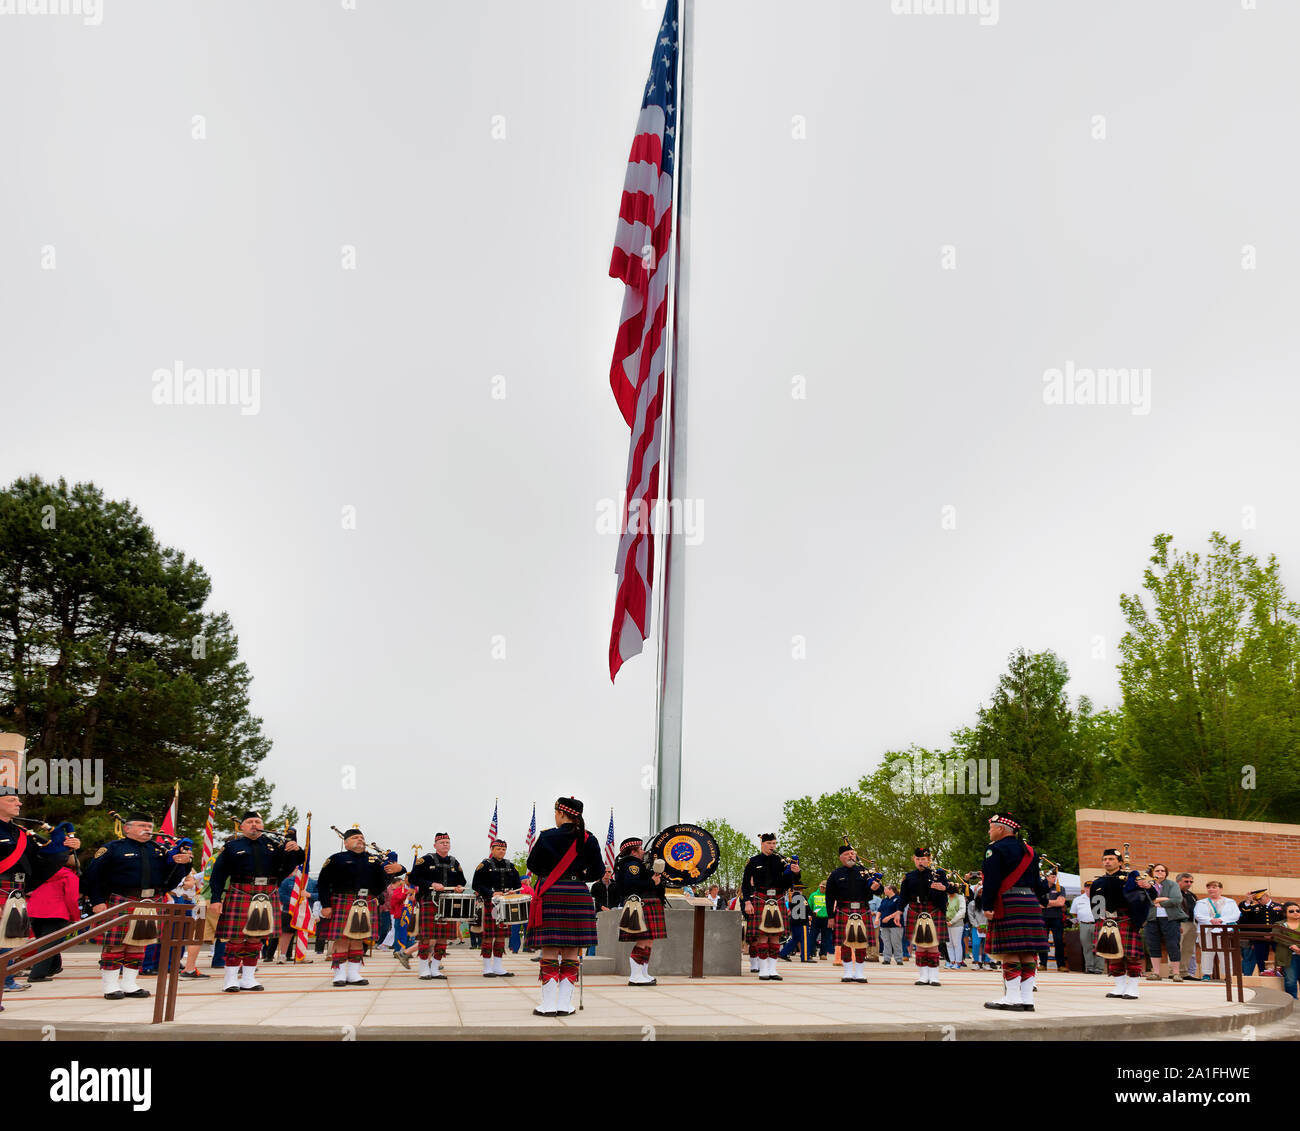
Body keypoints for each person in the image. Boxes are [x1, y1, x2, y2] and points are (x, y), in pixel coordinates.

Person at [83, 812, 192, 1000]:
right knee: (115, 945)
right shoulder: (112, 848)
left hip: (150, 901)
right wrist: (97, 901)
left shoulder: (159, 849)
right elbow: (91, 876)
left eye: (149, 827)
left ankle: (129, 984)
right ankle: (110, 986)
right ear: (127, 828)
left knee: (139, 944)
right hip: (121, 900)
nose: (147, 830)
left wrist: (184, 864)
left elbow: (172, 877)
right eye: (142, 826)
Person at [525, 797, 607, 1016]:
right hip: (578, 893)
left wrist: (550, 873)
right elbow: (599, 871)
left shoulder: (547, 836)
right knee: (572, 949)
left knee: (550, 948)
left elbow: (532, 864)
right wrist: (581, 875)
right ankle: (564, 1005)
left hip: (550, 892)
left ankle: (548, 1005)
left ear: (561, 813)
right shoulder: (589, 839)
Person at [208, 812, 304, 992]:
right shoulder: (231, 846)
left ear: (262, 825)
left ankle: (248, 978)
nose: (254, 824)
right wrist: (215, 899)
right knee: (235, 939)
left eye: (257, 821)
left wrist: (295, 849)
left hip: (267, 892)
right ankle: (230, 979)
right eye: (250, 822)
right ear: (242, 826)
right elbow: (218, 874)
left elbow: (292, 864)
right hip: (239, 891)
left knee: (256, 937)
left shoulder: (275, 844)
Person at [0, 791, 81, 994]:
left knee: (11, 938)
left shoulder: (18, 832)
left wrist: (67, 846)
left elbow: (41, 856)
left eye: (18, 799)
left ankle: (6, 979)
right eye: (11, 800)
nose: (18, 803)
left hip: (15, 891)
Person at [315, 827, 404, 987]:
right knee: (342, 939)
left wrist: (399, 869)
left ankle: (354, 974)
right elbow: (322, 883)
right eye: (355, 837)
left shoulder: (373, 860)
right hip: (342, 900)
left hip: (366, 901)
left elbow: (385, 878)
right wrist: (326, 905)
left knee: (358, 939)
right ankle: (339, 974)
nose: (360, 840)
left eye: (362, 838)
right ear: (346, 842)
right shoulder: (336, 859)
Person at [980, 812, 1049, 1012]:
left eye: (991, 827)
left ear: (1001, 828)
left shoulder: (995, 850)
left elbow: (991, 881)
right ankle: (1027, 999)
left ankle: (1012, 998)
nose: (989, 831)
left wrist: (987, 905)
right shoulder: (1030, 852)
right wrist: (1042, 900)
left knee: (1010, 951)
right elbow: (1038, 883)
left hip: (1007, 901)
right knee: (1027, 952)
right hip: (1029, 901)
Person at [1089, 848, 1153, 1000]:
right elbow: (1095, 903)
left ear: (1120, 862)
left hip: (1127, 919)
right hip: (1106, 921)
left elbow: (1149, 896)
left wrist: (1148, 886)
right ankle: (1119, 986)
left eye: (1111, 859)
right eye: (1105, 859)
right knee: (1112, 954)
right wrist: (1099, 919)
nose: (1107, 862)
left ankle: (1133, 987)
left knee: (1131, 955)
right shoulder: (1098, 882)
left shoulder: (1131, 877)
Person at [741, 834, 800, 981]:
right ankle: (763, 970)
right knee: (762, 936)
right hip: (761, 898)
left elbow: (791, 880)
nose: (772, 846)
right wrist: (747, 902)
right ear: (762, 844)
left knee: (775, 936)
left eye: (774, 843)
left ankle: (773, 970)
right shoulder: (753, 861)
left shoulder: (781, 861)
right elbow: (746, 884)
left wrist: (796, 872)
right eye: (769, 843)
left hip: (778, 898)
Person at [408, 833, 466, 980]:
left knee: (443, 938)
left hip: (448, 902)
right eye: (442, 842)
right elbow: (413, 878)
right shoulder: (426, 860)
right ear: (435, 845)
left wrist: (459, 887)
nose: (445, 844)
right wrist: (431, 884)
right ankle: (423, 969)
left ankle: (435, 969)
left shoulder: (454, 862)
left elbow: (462, 881)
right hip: (429, 900)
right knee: (426, 937)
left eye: (447, 842)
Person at [25, 836, 80, 982]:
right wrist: (76, 917)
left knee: (45, 942)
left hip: (34, 911)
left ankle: (54, 967)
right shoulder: (69, 875)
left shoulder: (42, 874)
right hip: (57, 912)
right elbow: (71, 898)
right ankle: (37, 974)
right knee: (49, 945)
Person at [614, 836, 667, 985]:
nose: (643, 851)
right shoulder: (632, 865)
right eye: (641, 849)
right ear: (633, 851)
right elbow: (631, 885)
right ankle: (635, 976)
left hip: (645, 903)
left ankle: (643, 973)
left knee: (648, 941)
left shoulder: (634, 864)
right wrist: (652, 882)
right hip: (642, 904)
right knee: (643, 941)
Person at [825, 839, 877, 984]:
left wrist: (875, 887)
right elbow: (829, 897)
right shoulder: (835, 874)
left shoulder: (865, 872)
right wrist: (830, 916)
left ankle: (860, 973)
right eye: (847, 854)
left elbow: (879, 889)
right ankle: (847, 972)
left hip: (863, 910)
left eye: (852, 854)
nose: (851, 856)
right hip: (843, 910)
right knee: (845, 944)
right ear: (841, 857)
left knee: (861, 943)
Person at [899, 847, 951, 985]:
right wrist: (898, 911)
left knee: (933, 944)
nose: (920, 861)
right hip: (916, 909)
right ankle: (923, 976)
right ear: (914, 860)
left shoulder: (938, 873)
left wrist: (944, 888)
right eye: (918, 859)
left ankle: (934, 976)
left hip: (933, 910)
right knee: (920, 945)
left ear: (929, 860)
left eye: (923, 859)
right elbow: (903, 897)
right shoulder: (909, 876)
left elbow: (950, 888)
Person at [473, 838, 522, 978]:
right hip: (491, 903)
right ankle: (487, 968)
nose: (501, 851)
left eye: (504, 849)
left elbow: (517, 884)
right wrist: (491, 893)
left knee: (501, 937)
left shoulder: (510, 866)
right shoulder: (484, 865)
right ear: (492, 849)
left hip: (505, 904)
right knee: (488, 936)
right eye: (499, 849)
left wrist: (514, 891)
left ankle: (498, 967)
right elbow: (476, 884)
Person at [1141, 863, 1184, 982]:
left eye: (1163, 871)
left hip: (1170, 919)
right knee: (1153, 945)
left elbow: (1176, 900)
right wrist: (1164, 899)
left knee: (1173, 944)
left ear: (1166, 873)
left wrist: (1156, 902)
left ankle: (1176, 973)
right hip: (1151, 919)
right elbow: (1144, 900)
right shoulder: (1148, 885)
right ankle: (1156, 973)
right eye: (1157, 870)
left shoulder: (1172, 884)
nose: (1160, 873)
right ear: (1152, 873)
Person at [1192, 880, 1240, 981]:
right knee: (1207, 951)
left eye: (1214, 887)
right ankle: (1206, 974)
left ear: (1221, 889)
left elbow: (1235, 915)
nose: (1211, 889)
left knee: (1225, 952)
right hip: (1206, 930)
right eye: (1209, 887)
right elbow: (1197, 915)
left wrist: (1221, 920)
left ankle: (1228, 974)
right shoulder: (1201, 902)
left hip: (1224, 930)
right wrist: (1211, 920)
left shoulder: (1230, 902)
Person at [1238, 889, 1284, 976]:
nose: (1259, 901)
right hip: (1260, 937)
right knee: (1260, 957)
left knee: (1280, 955)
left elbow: (1283, 922)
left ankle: (1281, 972)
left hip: (1276, 937)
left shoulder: (1279, 907)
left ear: (1266, 896)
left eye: (1260, 898)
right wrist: (1248, 901)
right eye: (1257, 900)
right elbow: (1244, 913)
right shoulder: (1255, 908)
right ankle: (1263, 972)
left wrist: (1273, 933)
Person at [1070, 879, 1103, 974]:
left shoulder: (1099, 898)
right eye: (1087, 887)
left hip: (1098, 924)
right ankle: (1089, 967)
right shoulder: (1078, 899)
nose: (1089, 889)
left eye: (1091, 887)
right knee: (1086, 947)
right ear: (1084, 888)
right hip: (1084, 924)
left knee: (1099, 946)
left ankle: (1099, 968)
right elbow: (1074, 913)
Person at [1272, 902, 1300, 1000]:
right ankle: (1294, 1002)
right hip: (1288, 957)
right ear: (1285, 913)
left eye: (1297, 910)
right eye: (1291, 911)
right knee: (1290, 980)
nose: (1295, 913)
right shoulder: (1279, 925)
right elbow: (1277, 937)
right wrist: (1292, 946)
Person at [1039, 871, 1067, 971]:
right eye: (1052, 876)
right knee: (1043, 941)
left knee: (1058, 941)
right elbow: (1037, 903)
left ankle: (1061, 965)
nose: (1054, 878)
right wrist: (1053, 903)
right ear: (1046, 877)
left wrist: (1046, 903)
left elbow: (1061, 903)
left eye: (1055, 876)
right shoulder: (1040, 887)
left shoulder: (1060, 888)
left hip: (1056, 917)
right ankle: (1043, 964)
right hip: (1043, 917)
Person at [1176, 873, 1198, 980]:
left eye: (1191, 882)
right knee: (1177, 947)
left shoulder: (1192, 895)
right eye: (1186, 881)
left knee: (1188, 949)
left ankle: (1184, 972)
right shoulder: (1174, 893)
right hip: (1179, 922)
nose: (1189, 884)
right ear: (1179, 881)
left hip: (1191, 923)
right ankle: (1174, 972)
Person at [966, 878, 991, 970]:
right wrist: (977, 926)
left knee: (987, 945)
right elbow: (970, 916)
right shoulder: (972, 904)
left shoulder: (989, 903)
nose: (982, 894)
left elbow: (991, 914)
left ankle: (986, 963)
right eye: (980, 892)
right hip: (976, 928)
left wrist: (987, 925)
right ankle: (976, 962)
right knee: (976, 944)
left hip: (987, 927)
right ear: (977, 893)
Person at [877, 884, 904, 965]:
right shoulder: (884, 900)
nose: (884, 891)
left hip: (895, 924)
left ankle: (899, 959)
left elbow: (900, 910)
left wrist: (889, 917)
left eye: (885, 889)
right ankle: (887, 959)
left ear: (891, 890)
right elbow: (880, 910)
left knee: (896, 942)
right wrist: (877, 918)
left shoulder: (898, 899)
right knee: (886, 942)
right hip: (884, 925)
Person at [945, 882, 966, 969]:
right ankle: (951, 961)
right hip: (946, 923)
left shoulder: (960, 898)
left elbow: (962, 911)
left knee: (956, 943)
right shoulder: (947, 898)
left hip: (957, 923)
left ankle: (958, 962)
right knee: (949, 943)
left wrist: (952, 921)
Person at [808, 881, 832, 960]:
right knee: (812, 936)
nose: (823, 889)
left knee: (825, 937)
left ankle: (823, 954)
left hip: (826, 918)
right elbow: (809, 907)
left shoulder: (830, 896)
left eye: (824, 888)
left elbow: (832, 908)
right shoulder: (813, 895)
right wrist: (809, 916)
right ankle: (810, 953)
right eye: (822, 887)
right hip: (816, 918)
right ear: (819, 886)